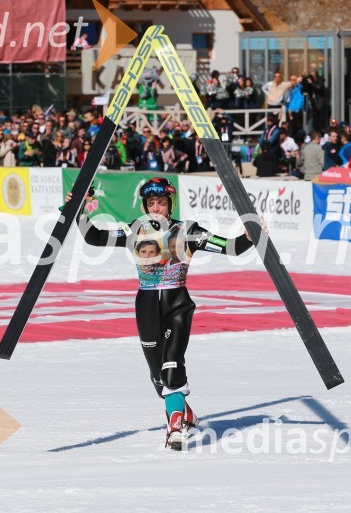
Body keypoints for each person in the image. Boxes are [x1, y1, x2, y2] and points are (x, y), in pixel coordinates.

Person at [68, 177, 265, 449]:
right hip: (146, 306)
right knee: (159, 380)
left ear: (169, 205)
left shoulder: (188, 230)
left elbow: (230, 247)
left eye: (161, 203)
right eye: (151, 203)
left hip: (177, 304)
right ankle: (185, 412)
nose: (155, 208)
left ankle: (175, 428)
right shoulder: (134, 229)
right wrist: (79, 210)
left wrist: (249, 236)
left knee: (172, 365)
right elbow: (95, 237)